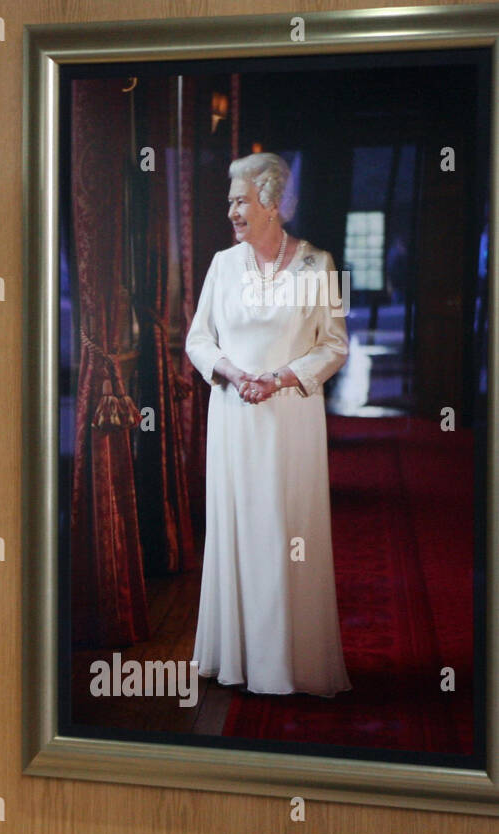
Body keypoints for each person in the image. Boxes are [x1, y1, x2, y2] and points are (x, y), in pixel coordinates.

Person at [184, 152, 352, 697]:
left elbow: (335, 345)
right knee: (239, 529)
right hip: (235, 418)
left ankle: (290, 662)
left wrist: (278, 379)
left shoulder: (321, 264)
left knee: (286, 533)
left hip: (291, 423)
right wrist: (233, 373)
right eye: (230, 201)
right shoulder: (221, 264)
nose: (231, 210)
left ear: (272, 203)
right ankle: (234, 656)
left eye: (239, 200)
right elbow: (198, 339)